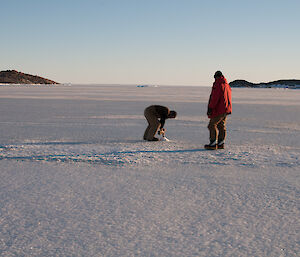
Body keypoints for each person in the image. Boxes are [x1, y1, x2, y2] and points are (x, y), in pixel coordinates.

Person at [205, 71, 232, 150]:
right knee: (221, 125)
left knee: (211, 125)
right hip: (225, 109)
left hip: (219, 109)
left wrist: (211, 108)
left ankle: (213, 144)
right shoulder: (226, 85)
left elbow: (215, 98)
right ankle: (220, 143)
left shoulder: (218, 84)